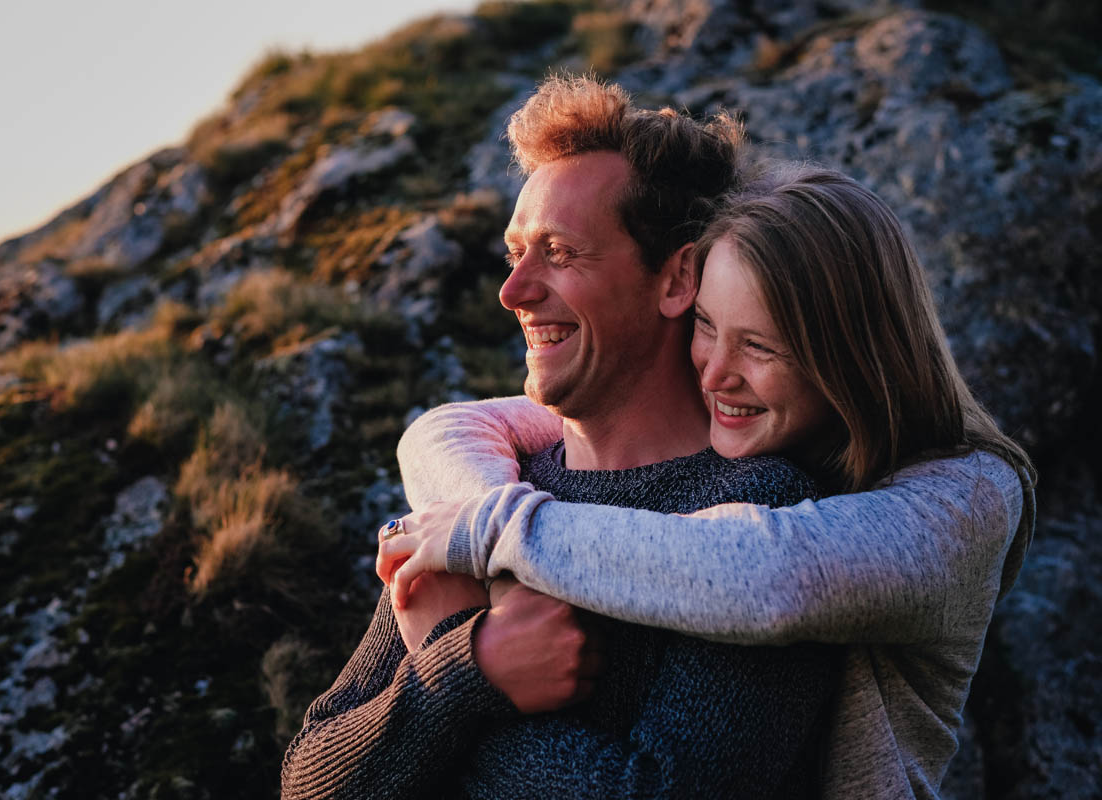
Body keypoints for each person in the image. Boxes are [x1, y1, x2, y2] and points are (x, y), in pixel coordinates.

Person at [380, 163, 1036, 800]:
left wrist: (465, 646)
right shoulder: (759, 423)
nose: (714, 373)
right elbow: (451, 431)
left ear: (850, 362)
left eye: (760, 346)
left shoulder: (967, 498)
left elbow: (769, 576)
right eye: (707, 326)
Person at [282, 76, 841, 799]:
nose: (513, 292)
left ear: (677, 279)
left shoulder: (760, 515)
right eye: (515, 253)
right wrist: (461, 669)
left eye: (560, 252)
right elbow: (307, 780)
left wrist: (458, 678)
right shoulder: (488, 494)